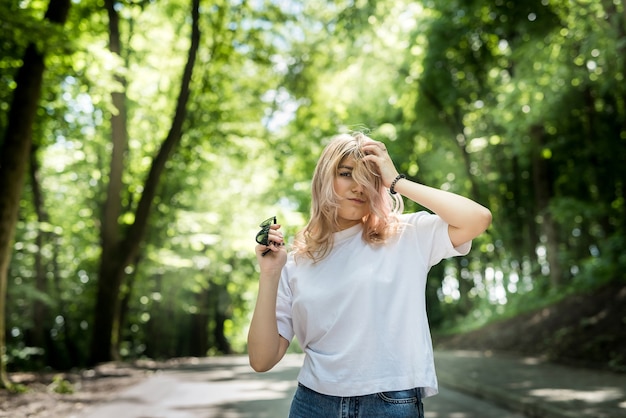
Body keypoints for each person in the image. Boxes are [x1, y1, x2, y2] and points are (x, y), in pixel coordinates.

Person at [248, 132, 492, 417]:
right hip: (313, 404)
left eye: (369, 177)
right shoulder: (296, 262)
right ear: (324, 179)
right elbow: (262, 360)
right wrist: (270, 273)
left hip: (390, 403)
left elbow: (478, 218)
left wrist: (396, 181)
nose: (359, 186)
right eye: (346, 173)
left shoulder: (406, 235)